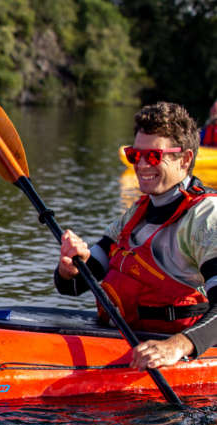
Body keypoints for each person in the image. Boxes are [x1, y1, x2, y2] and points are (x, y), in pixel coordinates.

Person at [55, 101, 217, 370]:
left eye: (153, 156)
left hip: (183, 349)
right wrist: (71, 268)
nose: (141, 165)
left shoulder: (206, 216)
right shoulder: (135, 214)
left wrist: (175, 346)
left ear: (185, 159)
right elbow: (74, 287)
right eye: (135, 155)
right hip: (133, 340)